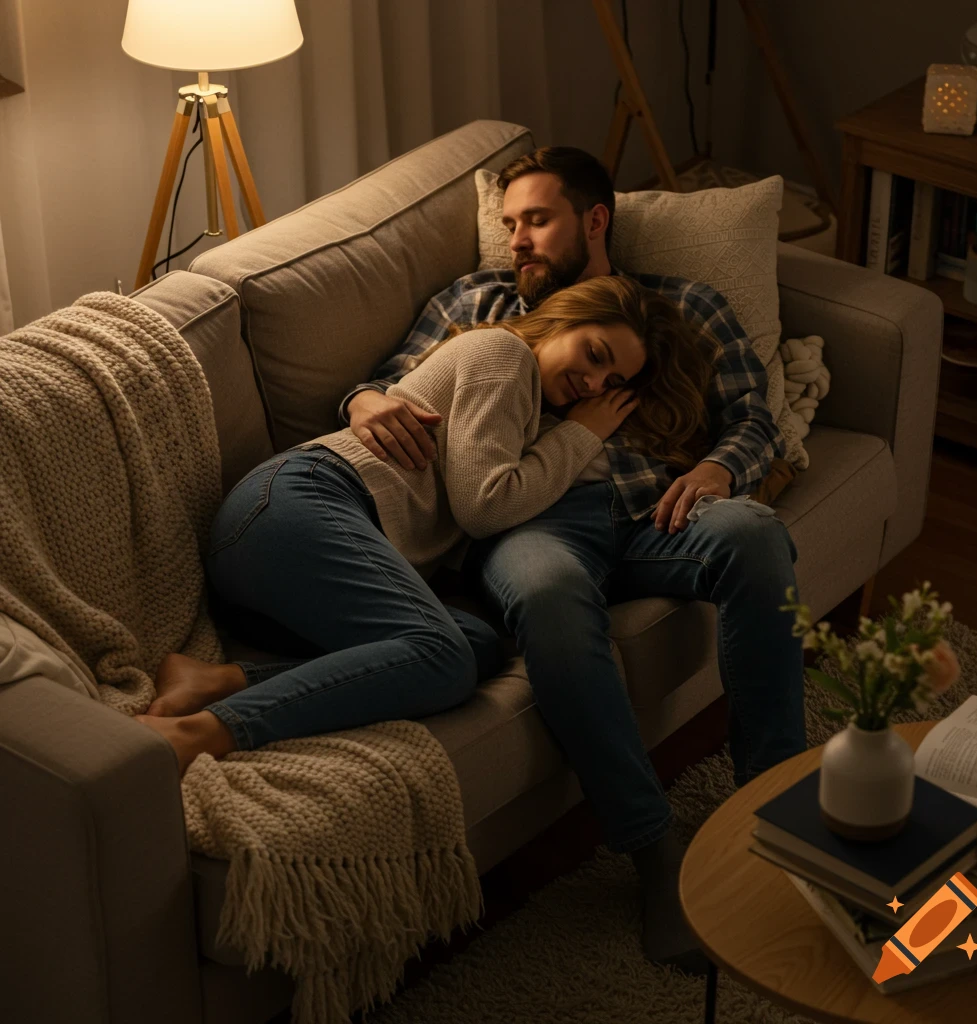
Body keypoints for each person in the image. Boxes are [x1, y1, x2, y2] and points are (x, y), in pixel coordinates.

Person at [337, 147, 807, 971]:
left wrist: (717, 468)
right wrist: (367, 400)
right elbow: (386, 383)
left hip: (656, 510)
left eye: (537, 220)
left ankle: (776, 809)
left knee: (755, 535)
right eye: (509, 223)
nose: (516, 240)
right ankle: (654, 856)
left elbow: (753, 416)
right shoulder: (475, 304)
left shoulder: (683, 304)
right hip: (531, 526)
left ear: (595, 220)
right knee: (549, 596)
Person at [133, 275, 711, 796]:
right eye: (594, 354)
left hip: (289, 570)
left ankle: (218, 679)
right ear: (562, 320)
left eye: (612, 381)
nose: (593, 383)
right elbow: (487, 506)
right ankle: (200, 732)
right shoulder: (504, 355)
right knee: (444, 656)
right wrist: (583, 434)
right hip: (298, 503)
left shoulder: (532, 410)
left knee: (476, 643)